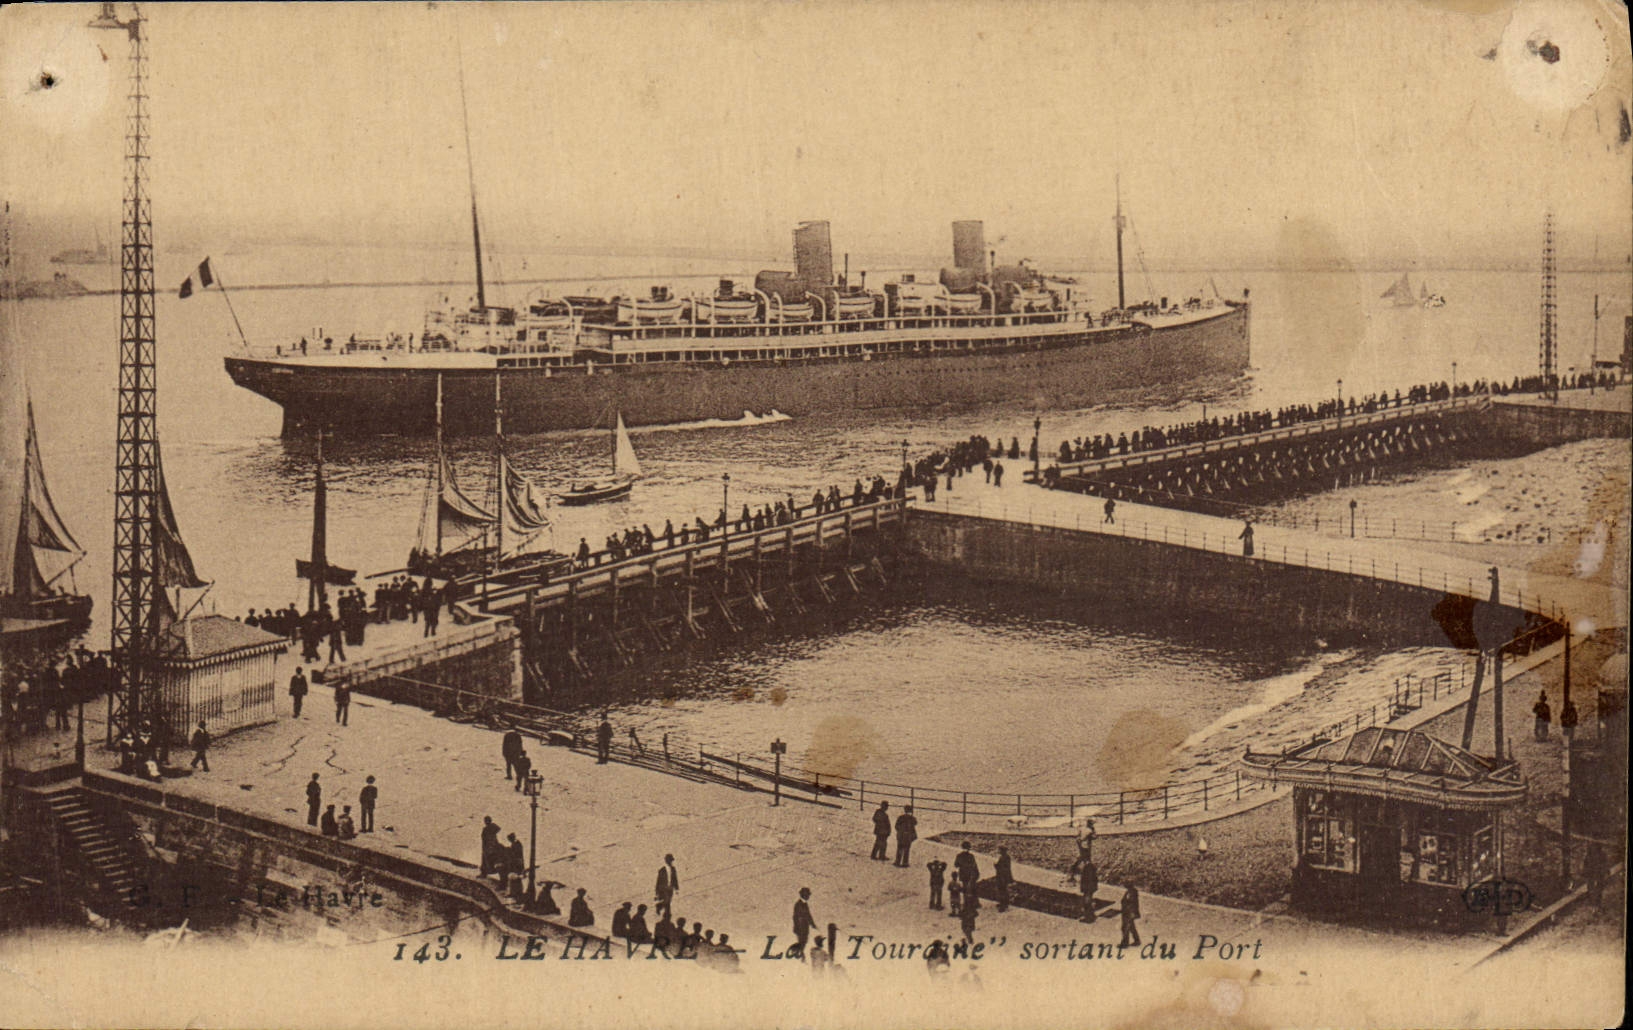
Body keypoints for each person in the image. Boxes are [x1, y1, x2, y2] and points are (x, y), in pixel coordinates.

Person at [792, 887, 815, 959]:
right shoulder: (798, 904)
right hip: (800, 927)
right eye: (807, 895)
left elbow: (808, 915)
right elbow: (796, 917)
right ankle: (800, 956)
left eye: (808, 895)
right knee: (802, 942)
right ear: (803, 895)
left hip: (805, 927)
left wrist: (812, 924)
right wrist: (797, 927)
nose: (808, 896)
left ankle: (801, 955)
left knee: (804, 941)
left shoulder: (805, 904)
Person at [655, 854, 679, 920]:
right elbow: (658, 881)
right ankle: (661, 907)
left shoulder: (673, 869)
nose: (670, 862)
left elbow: (675, 879)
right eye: (669, 860)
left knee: (668, 902)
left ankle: (666, 913)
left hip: (670, 888)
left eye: (671, 860)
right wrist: (657, 893)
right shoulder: (662, 870)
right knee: (667, 900)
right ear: (666, 860)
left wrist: (676, 889)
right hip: (663, 888)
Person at [994, 846, 1013, 912]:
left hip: (1002, 877)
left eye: (999, 850)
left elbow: (1001, 868)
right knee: (1003, 890)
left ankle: (1003, 906)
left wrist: (995, 865)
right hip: (1004, 876)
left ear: (1002, 851)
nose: (998, 851)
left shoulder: (1003, 858)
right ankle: (1005, 904)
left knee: (1002, 891)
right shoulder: (1006, 857)